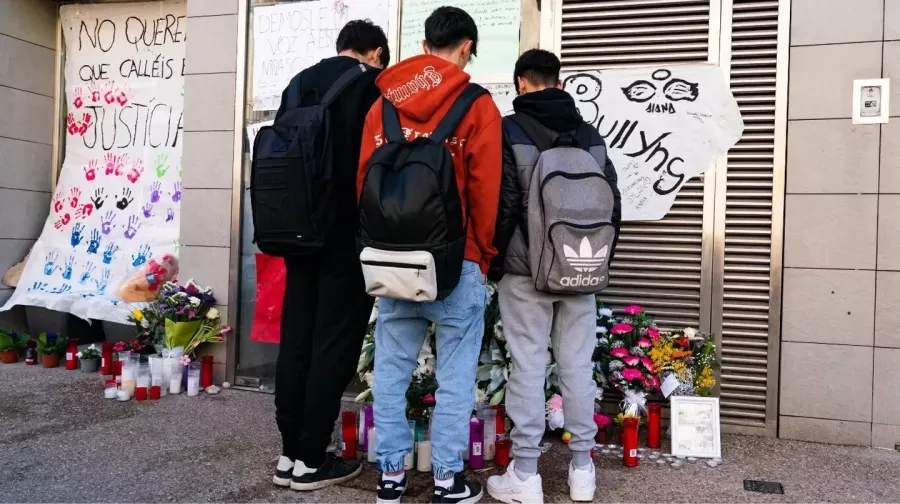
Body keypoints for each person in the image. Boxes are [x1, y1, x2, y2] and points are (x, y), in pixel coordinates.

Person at [356, 7, 502, 504]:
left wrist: (374, 248)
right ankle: (446, 479)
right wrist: (480, 254)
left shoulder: (383, 106)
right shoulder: (477, 103)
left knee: (393, 373)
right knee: (456, 375)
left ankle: (391, 477)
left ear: (424, 45)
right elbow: (486, 188)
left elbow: (364, 184)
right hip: (456, 259)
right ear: (466, 47)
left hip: (393, 259)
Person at [485, 49, 622, 504]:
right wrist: (595, 263)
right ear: (557, 80)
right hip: (581, 273)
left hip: (526, 273)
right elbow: (612, 206)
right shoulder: (590, 135)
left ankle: (526, 474)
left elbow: (504, 203)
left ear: (522, 82)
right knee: (578, 367)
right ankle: (583, 470)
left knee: (527, 366)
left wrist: (496, 260)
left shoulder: (510, 130)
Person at [270, 19, 390, 492]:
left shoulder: (299, 82)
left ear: (340, 47)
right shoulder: (371, 86)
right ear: (376, 52)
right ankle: (313, 458)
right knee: (333, 345)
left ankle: (289, 454)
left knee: (296, 340)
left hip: (296, 232)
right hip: (344, 236)